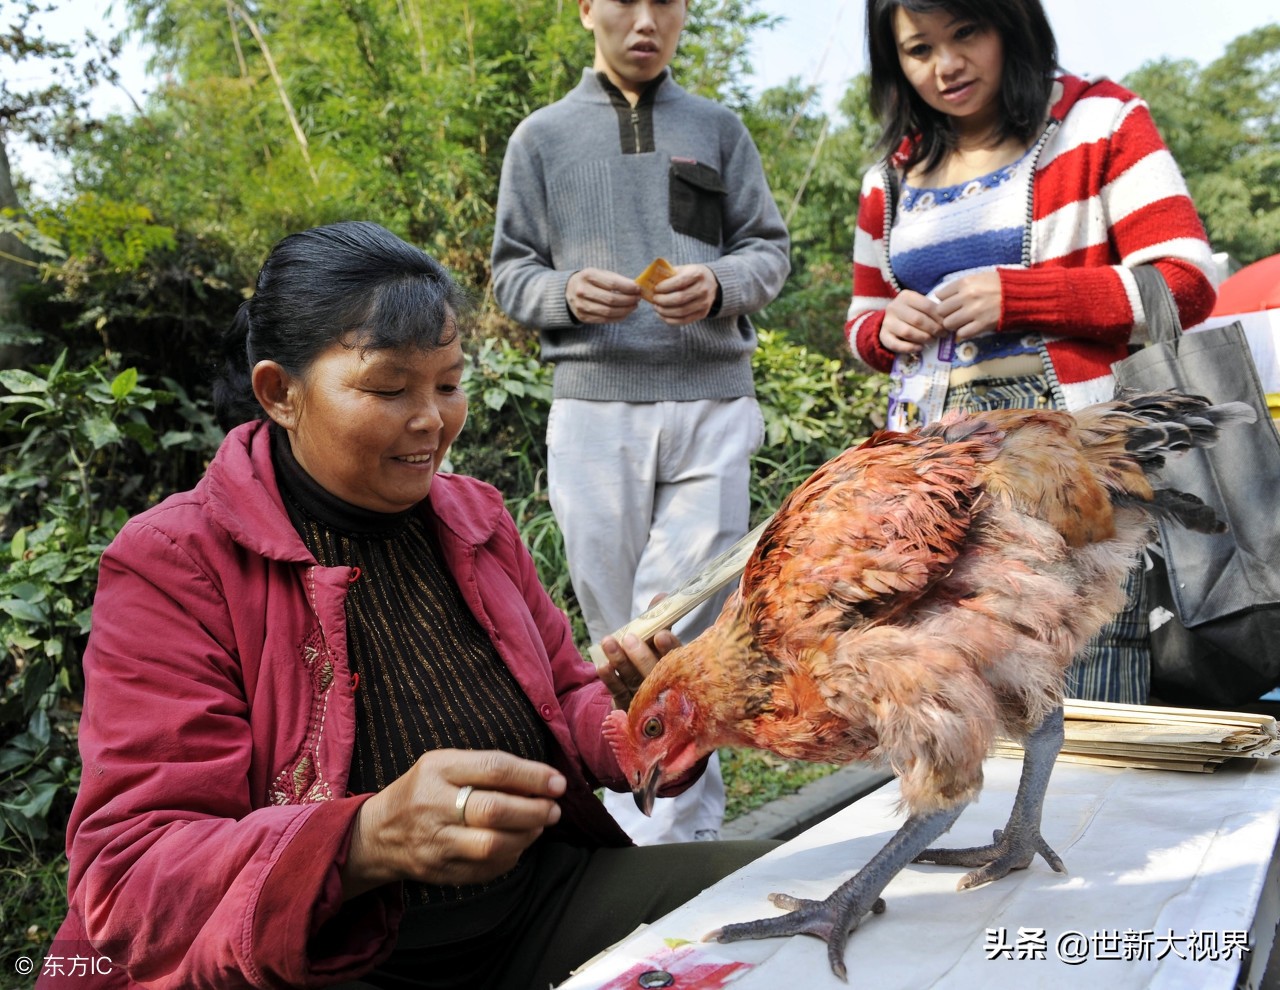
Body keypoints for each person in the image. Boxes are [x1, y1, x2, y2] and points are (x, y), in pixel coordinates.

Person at [40, 221, 775, 990]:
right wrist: (362, 841)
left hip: (537, 906)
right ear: (279, 394)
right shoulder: (176, 563)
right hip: (334, 961)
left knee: (811, 898)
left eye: (448, 384)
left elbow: (565, 697)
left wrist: (647, 720)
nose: (432, 420)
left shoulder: (475, 517)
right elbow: (132, 872)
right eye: (390, 389)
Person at [845, 0, 1217, 705]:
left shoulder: (1102, 122)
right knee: (957, 670)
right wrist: (886, 328)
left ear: (1010, 26)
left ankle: (1091, 819)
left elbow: (1186, 286)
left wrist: (1024, 298)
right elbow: (863, 320)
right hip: (934, 472)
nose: (946, 66)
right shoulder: (888, 178)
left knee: (1083, 654)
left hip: (1074, 450)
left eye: (966, 33)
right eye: (918, 50)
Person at [490, 0, 790, 845]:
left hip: (711, 399)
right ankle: (632, 827)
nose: (647, 18)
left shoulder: (717, 128)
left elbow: (769, 249)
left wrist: (722, 284)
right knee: (612, 630)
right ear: (587, 9)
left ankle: (671, 845)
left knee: (676, 626)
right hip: (592, 406)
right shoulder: (541, 138)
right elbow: (510, 271)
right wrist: (562, 294)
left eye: (668, 0)